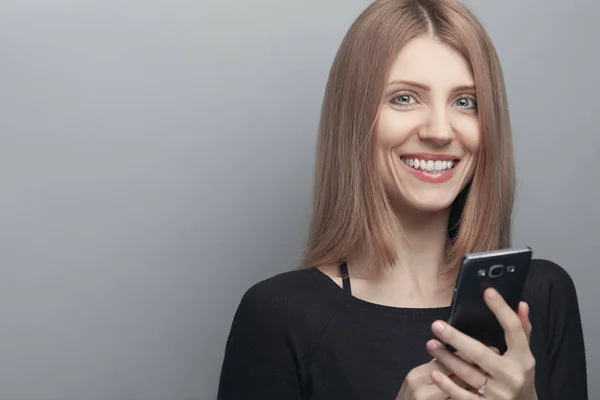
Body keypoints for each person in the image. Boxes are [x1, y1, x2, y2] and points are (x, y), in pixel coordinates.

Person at [217, 0, 588, 399]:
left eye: (466, 102)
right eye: (405, 98)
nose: (440, 131)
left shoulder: (542, 295)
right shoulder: (278, 314)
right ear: (355, 118)